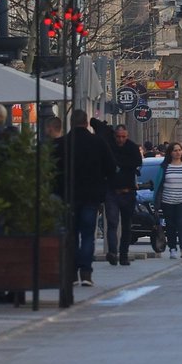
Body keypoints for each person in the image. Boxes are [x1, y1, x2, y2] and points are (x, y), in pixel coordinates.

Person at [63, 110, 116, 285]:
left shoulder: (64, 143)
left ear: (70, 122)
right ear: (86, 123)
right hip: (91, 197)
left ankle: (71, 273)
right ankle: (86, 273)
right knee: (87, 235)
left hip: (68, 196)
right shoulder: (97, 142)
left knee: (70, 235)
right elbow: (110, 168)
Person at [101, 123, 142, 267]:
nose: (120, 140)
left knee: (127, 226)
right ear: (114, 135)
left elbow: (137, 161)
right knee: (112, 223)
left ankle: (123, 255)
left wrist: (120, 163)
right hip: (112, 192)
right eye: (118, 137)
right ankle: (113, 252)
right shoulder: (109, 146)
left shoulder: (131, 147)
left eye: (123, 137)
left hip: (128, 192)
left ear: (127, 136)